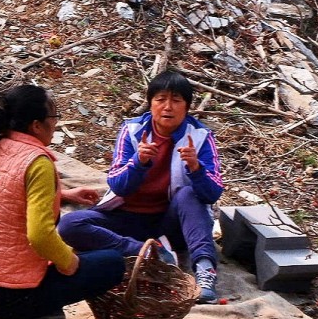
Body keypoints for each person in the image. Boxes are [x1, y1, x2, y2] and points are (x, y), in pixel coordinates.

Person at [0, 85, 126, 319]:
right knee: (112, 263)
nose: (56, 124)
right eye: (53, 118)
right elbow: (39, 235)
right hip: (10, 295)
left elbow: (7, 193)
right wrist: (70, 263)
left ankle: (22, 312)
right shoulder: (37, 162)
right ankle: (25, 318)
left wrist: (64, 195)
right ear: (36, 126)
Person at [58, 71, 224, 304]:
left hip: (170, 223)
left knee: (189, 194)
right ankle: (148, 252)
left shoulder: (200, 136)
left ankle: (205, 271)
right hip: (126, 219)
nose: (168, 107)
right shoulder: (133, 131)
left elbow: (213, 192)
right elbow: (118, 185)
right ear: (150, 103)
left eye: (176, 100)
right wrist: (138, 162)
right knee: (69, 224)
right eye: (160, 99)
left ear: (187, 107)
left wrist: (196, 168)